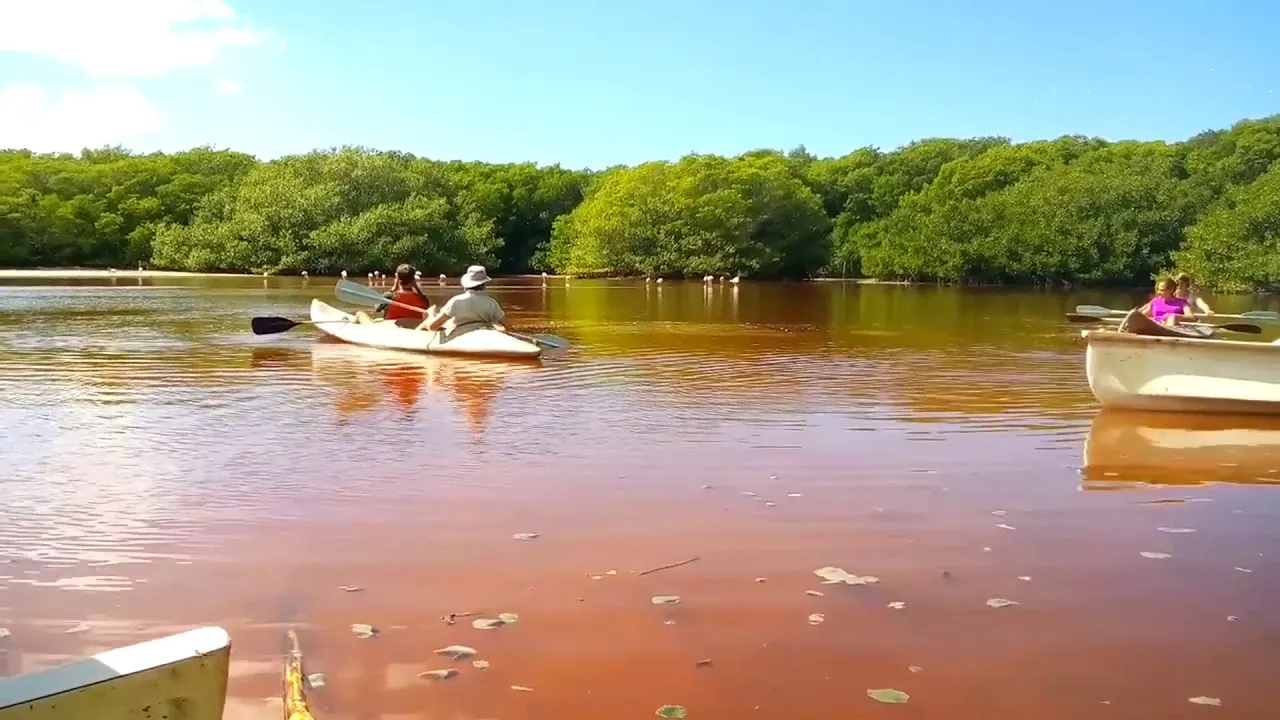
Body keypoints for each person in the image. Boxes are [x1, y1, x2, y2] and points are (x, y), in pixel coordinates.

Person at [417, 265, 506, 334]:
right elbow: (507, 325)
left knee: (427, 323)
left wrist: (431, 314)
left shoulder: (456, 301)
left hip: (460, 333)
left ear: (465, 285)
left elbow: (432, 327)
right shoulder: (491, 302)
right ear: (484, 285)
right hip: (485, 331)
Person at [352, 264, 433, 326]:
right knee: (378, 319)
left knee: (360, 314)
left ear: (397, 279)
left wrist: (393, 289)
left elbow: (377, 309)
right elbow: (426, 308)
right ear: (413, 280)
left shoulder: (389, 296)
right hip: (412, 328)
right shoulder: (423, 299)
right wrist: (416, 287)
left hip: (391, 328)